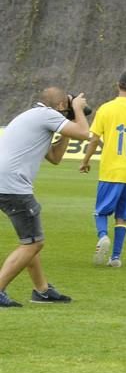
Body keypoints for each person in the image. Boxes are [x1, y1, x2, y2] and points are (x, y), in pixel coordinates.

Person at [0, 87, 90, 307]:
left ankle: (42, 291)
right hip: (13, 184)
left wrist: (67, 122)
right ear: (60, 106)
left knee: (29, 240)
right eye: (67, 106)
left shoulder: (35, 116)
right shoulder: (46, 115)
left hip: (5, 181)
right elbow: (84, 133)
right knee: (34, 243)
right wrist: (77, 109)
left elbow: (55, 157)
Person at [79, 70, 126, 267]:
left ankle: (103, 236)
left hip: (111, 169)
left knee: (101, 212)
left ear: (117, 85)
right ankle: (115, 257)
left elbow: (94, 138)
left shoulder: (106, 109)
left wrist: (85, 161)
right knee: (122, 217)